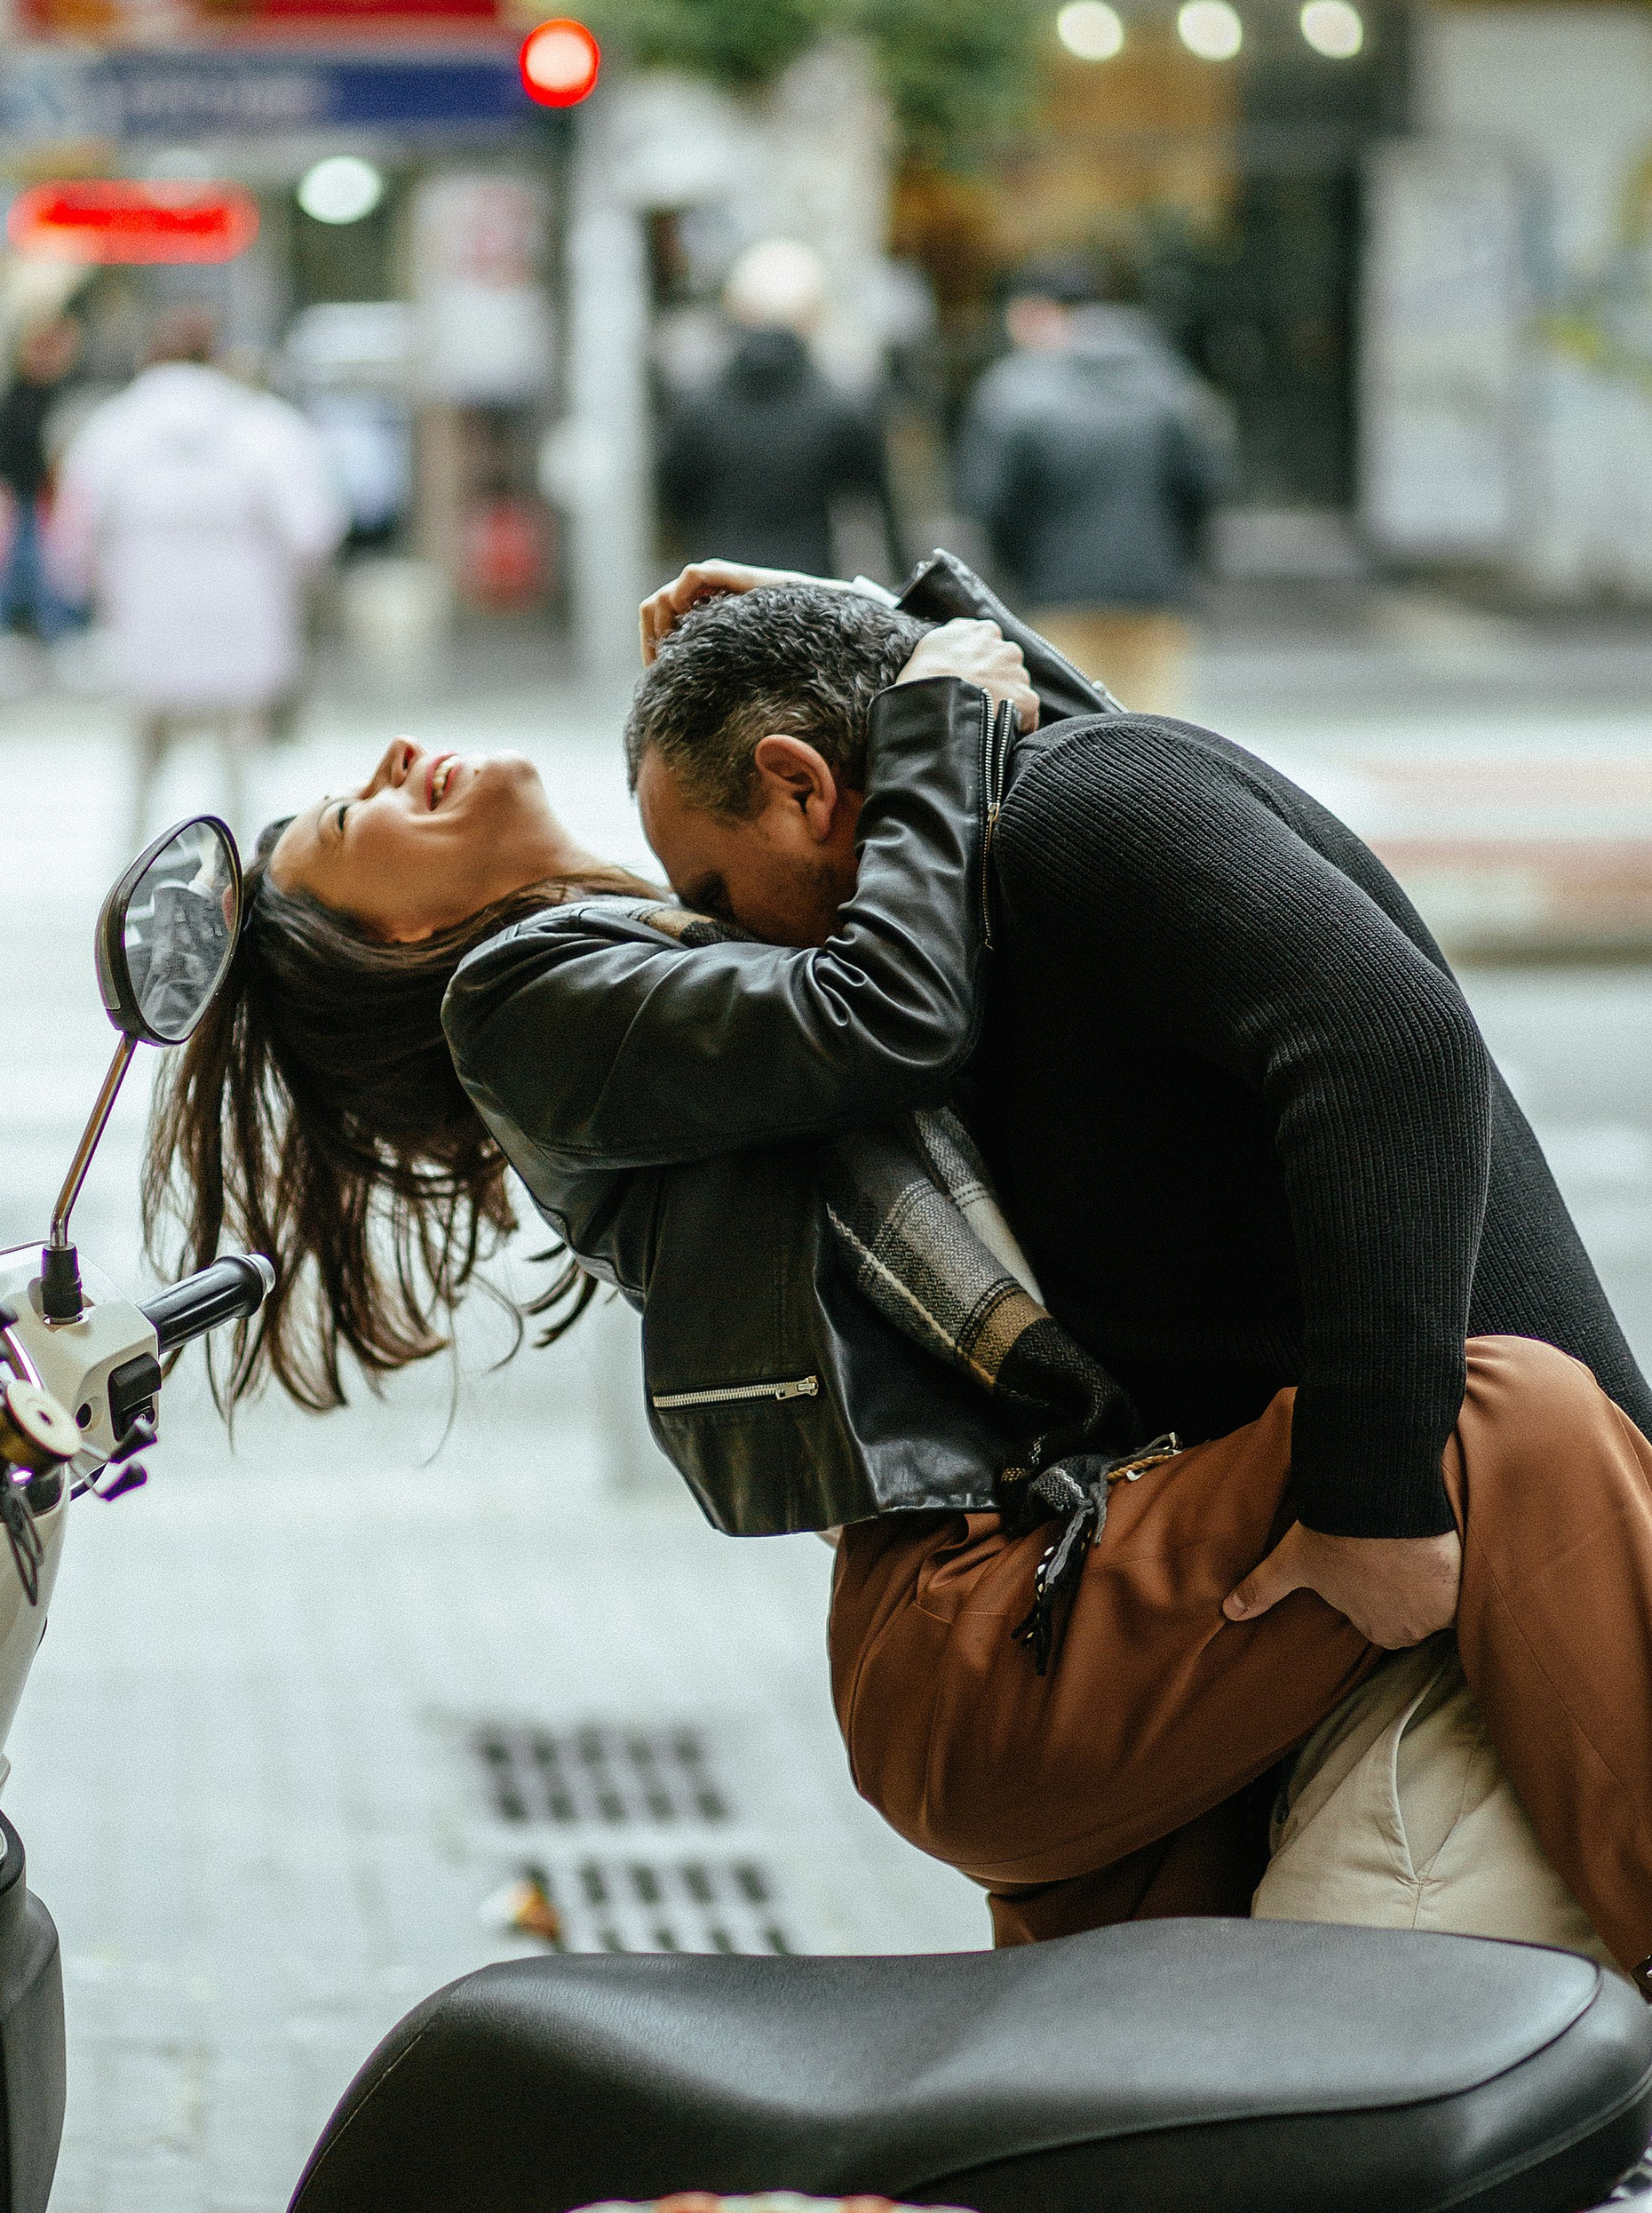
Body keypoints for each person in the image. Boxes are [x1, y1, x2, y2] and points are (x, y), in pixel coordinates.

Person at [145, 569, 1652, 1979]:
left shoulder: (687, 971)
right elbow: (900, 997)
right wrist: (916, 707)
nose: (396, 755)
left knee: (1199, 2092)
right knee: (1502, 1416)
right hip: (988, 1618)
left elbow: (1094, 825)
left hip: (1043, 1589)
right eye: (351, 816)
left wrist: (866, 628)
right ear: (398, 941)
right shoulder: (521, 1007)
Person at [52, 309, 346, 843]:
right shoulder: (265, 427)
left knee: (145, 768)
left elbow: (74, 536)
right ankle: (242, 873)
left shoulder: (112, 430)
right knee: (239, 769)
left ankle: (130, 866)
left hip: (147, 636)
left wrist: (99, 591)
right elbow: (311, 532)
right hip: (244, 637)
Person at [956, 253, 1233, 713]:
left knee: (1071, 729)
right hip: (1156, 594)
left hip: (1055, 595)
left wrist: (1020, 572)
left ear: (1043, 313)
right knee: (1158, 730)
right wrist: (1182, 565)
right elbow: (1204, 485)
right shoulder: (1170, 382)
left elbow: (990, 502)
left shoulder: (1015, 391)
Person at [658, 239, 894, 582]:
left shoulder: (697, 407)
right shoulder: (841, 407)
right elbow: (877, 507)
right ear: (813, 315)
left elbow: (674, 501)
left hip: (717, 591)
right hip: (810, 594)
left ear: (736, 307)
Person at [0, 285, 81, 648]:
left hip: (53, 496)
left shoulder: (66, 388)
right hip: (25, 492)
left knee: (46, 561)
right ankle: (22, 627)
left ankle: (48, 627)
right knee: (25, 559)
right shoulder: (20, 390)